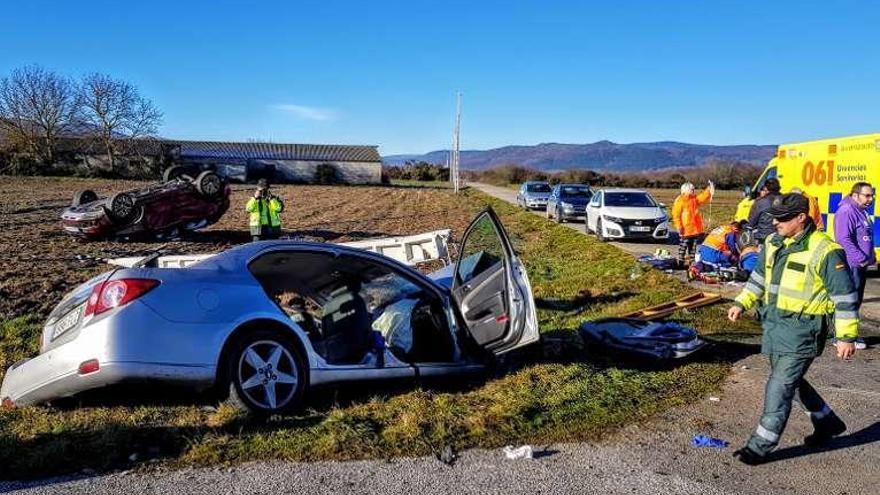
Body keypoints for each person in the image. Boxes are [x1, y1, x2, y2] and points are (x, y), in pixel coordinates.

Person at [727, 193, 860, 465]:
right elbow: (759, 278)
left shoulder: (824, 250)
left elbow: (844, 297)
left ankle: (759, 446)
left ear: (801, 218)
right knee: (790, 382)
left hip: (804, 331)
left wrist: (846, 337)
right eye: (775, 217)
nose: (776, 222)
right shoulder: (773, 243)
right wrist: (742, 302)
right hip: (776, 326)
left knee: (779, 386)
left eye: (783, 218)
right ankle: (827, 423)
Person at [833, 181, 875, 350]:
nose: (871, 199)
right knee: (849, 301)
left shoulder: (861, 211)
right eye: (867, 195)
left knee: (855, 300)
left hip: (860, 264)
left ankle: (850, 335)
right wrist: (860, 258)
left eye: (872, 195)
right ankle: (843, 338)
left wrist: (871, 256)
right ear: (855, 195)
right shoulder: (847, 211)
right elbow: (843, 238)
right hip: (852, 264)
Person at [671, 181, 715, 267]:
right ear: (685, 190)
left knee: (692, 249)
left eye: (693, 189)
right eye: (691, 189)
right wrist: (679, 227)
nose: (693, 191)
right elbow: (676, 215)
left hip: (694, 230)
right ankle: (680, 263)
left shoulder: (694, 199)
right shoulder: (680, 201)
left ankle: (691, 264)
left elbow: (702, 198)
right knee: (682, 248)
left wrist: (708, 189)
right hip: (685, 230)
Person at [747, 178, 782, 244]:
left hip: (763, 238)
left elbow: (752, 222)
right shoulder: (785, 200)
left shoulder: (760, 202)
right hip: (781, 237)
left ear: (766, 188)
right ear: (779, 188)